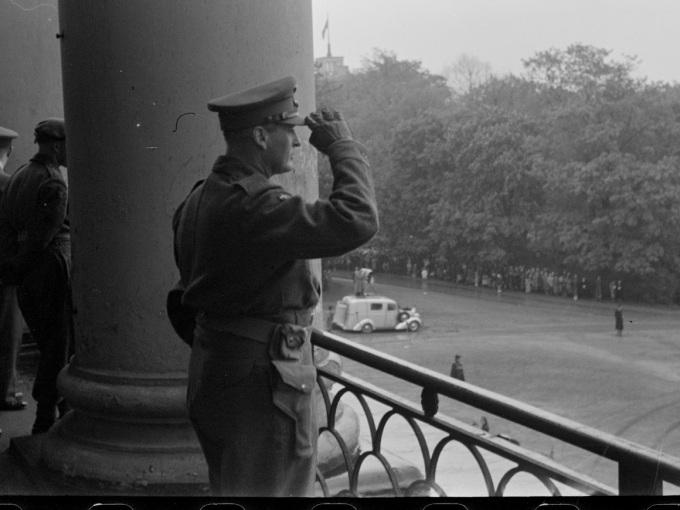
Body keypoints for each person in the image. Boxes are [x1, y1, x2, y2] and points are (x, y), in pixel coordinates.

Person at [172, 76, 378, 497]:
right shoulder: (254, 205)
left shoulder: (202, 195)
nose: (298, 144)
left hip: (221, 368)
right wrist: (342, 147)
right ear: (262, 135)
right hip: (261, 387)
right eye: (291, 131)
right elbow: (357, 218)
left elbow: (183, 298)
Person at [0, 119, 74, 435]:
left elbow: (9, 228)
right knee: (59, 343)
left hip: (27, 270)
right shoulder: (53, 182)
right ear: (57, 146)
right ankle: (48, 413)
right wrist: (21, 264)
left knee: (48, 342)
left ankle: (56, 409)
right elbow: (44, 236)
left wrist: (13, 266)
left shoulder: (19, 175)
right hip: (50, 265)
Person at [0, 126, 27, 413]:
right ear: (8, 151)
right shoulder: (9, 184)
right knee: (9, 331)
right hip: (6, 268)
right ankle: (6, 392)